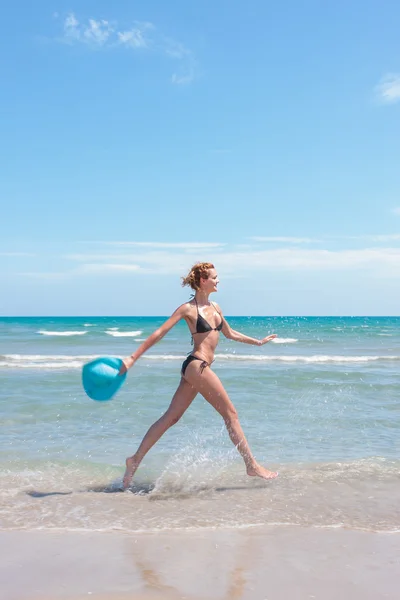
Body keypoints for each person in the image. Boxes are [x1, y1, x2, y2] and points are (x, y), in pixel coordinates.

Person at [120, 262, 278, 489]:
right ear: (203, 281)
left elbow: (230, 333)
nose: (218, 281)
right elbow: (160, 332)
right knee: (231, 414)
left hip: (196, 369)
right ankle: (251, 465)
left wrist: (258, 342)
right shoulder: (188, 309)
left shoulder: (216, 307)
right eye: (214, 277)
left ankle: (134, 460)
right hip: (197, 366)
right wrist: (133, 358)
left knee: (171, 418)